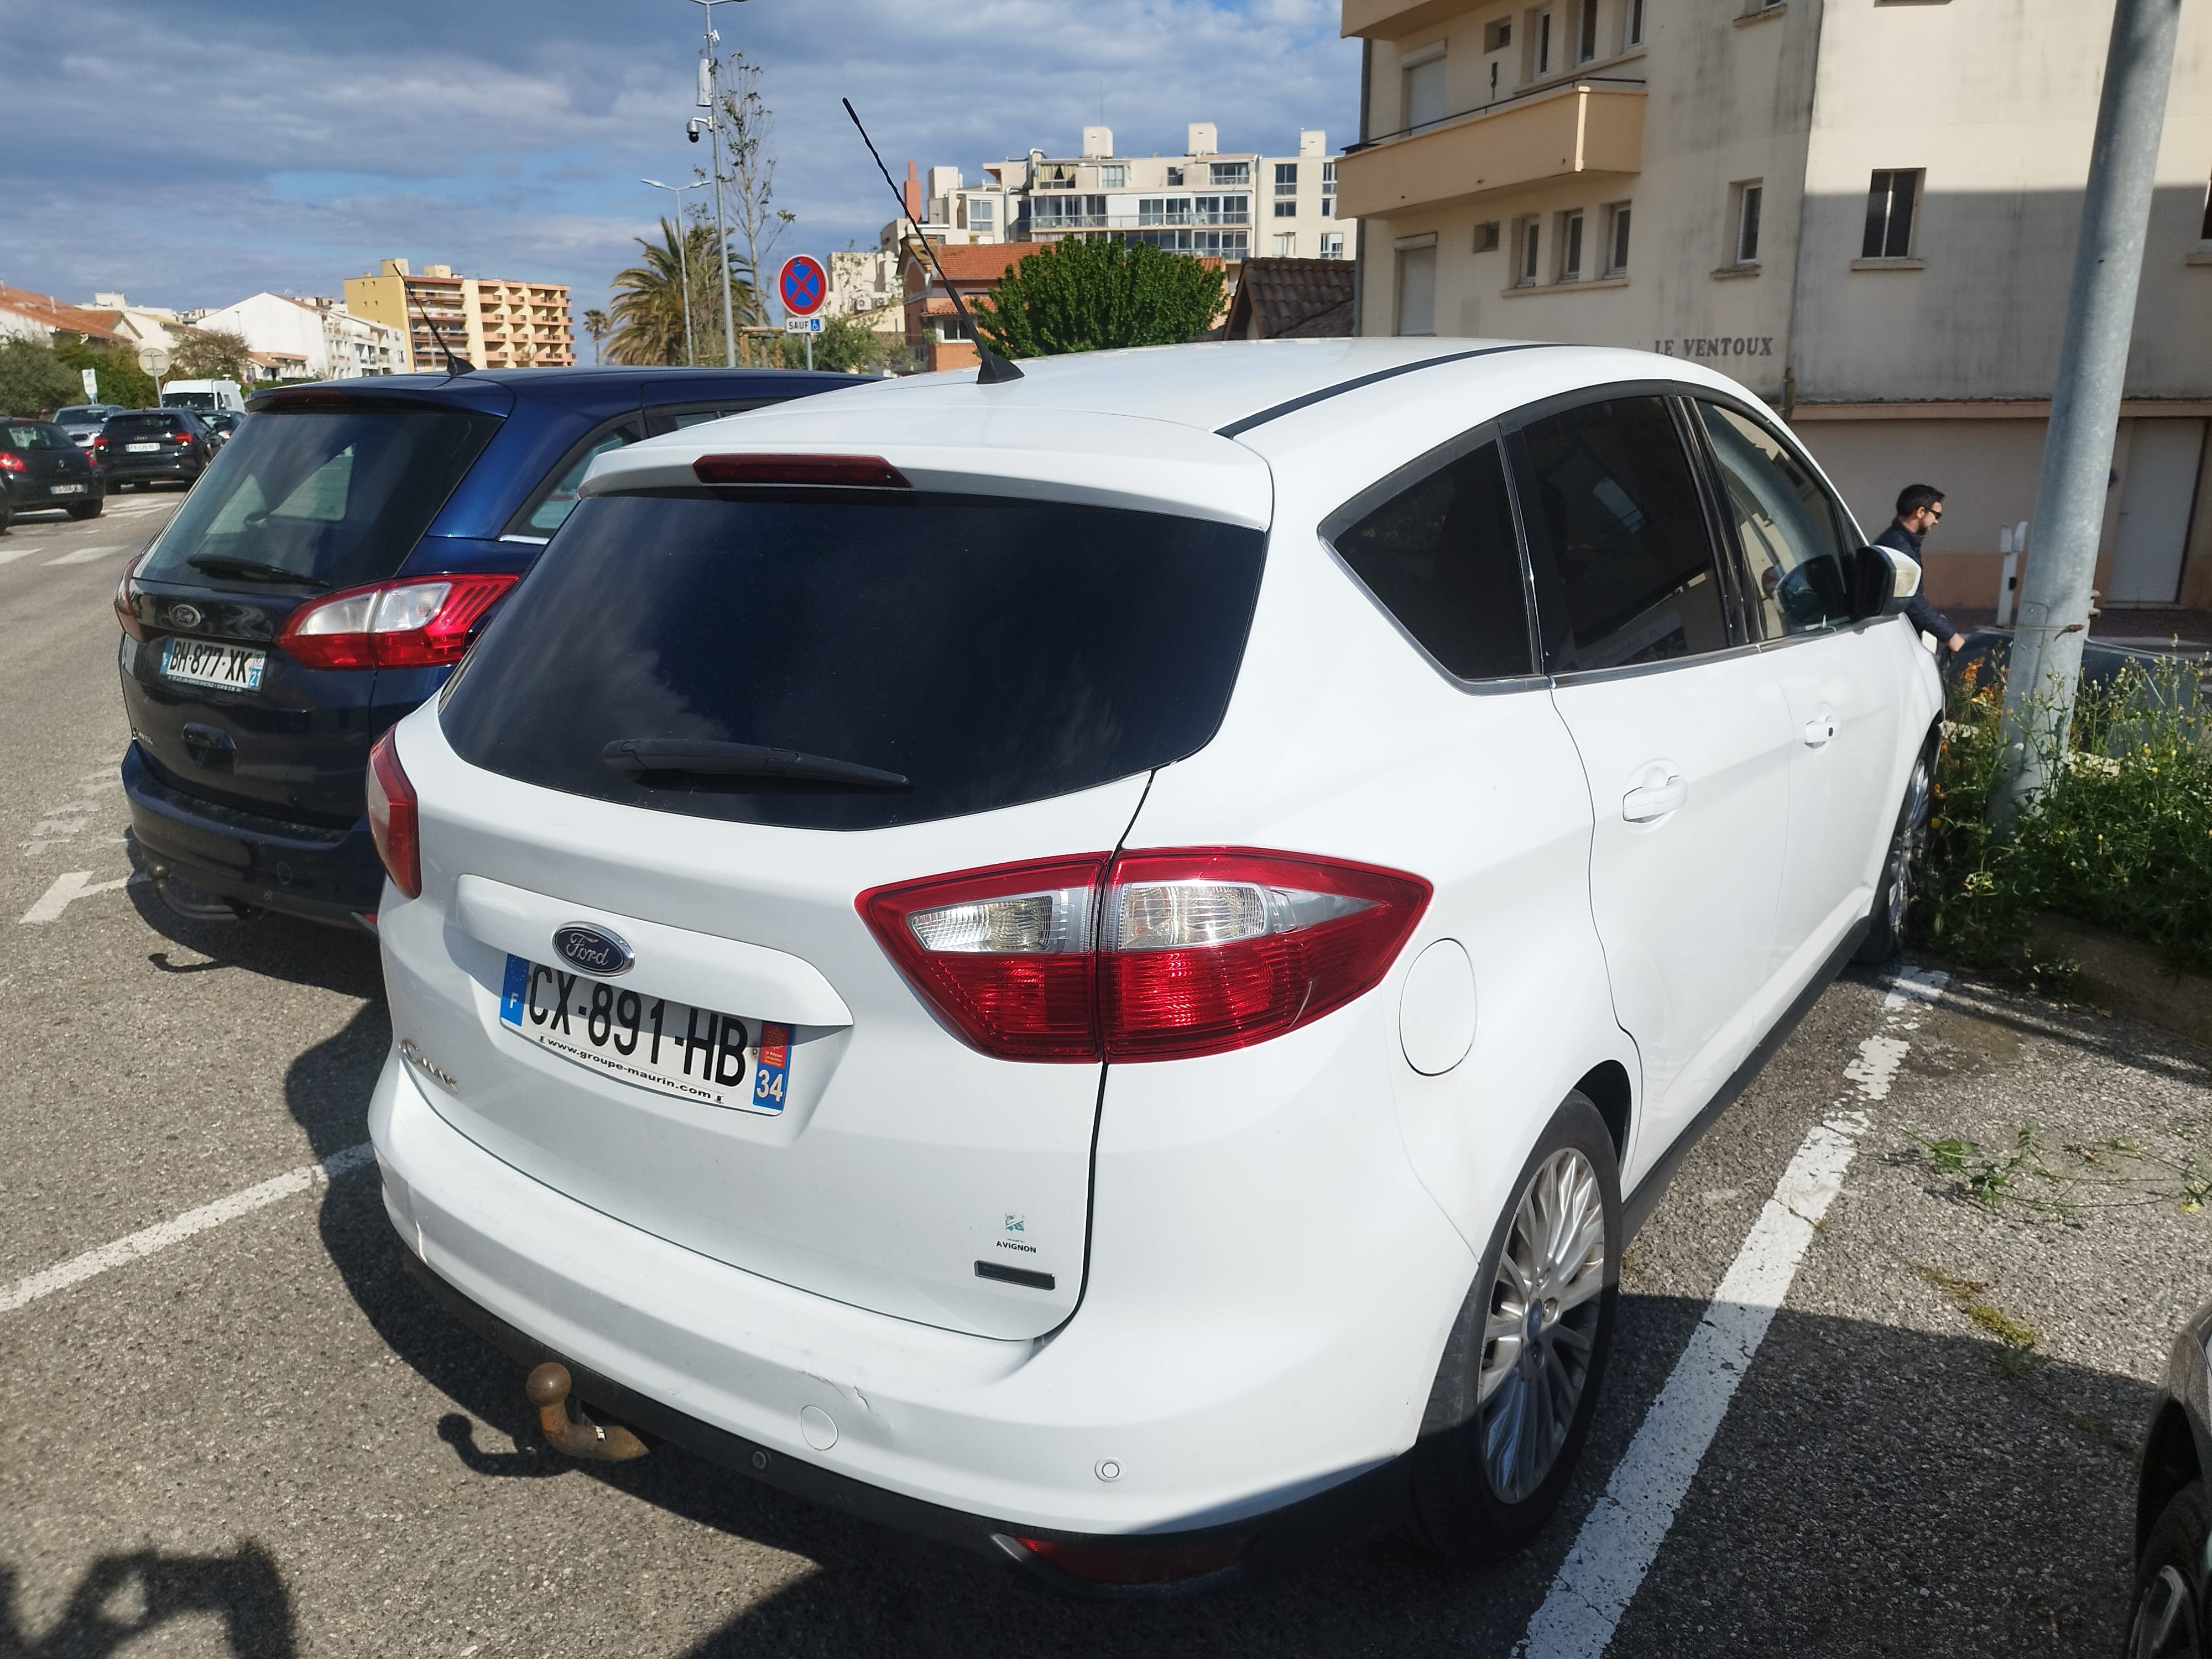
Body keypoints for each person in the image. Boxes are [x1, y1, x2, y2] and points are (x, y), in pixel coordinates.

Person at [1872, 483, 1965, 653]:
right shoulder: (1899, 548)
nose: (1937, 521)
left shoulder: (1901, 541)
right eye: (1937, 515)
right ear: (1921, 512)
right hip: (1894, 641)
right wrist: (1950, 635)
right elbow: (1911, 601)